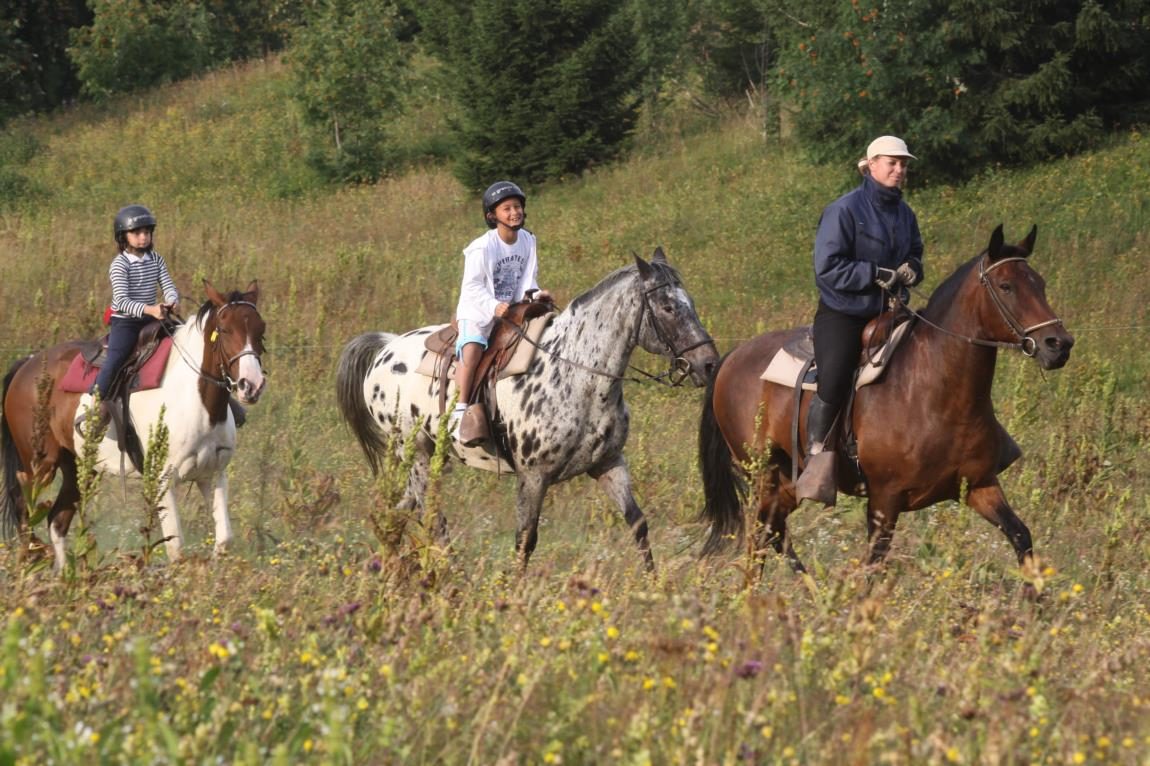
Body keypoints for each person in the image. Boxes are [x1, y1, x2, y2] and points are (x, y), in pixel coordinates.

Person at [795, 136, 925, 505]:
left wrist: (913, 268)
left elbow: (915, 251)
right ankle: (818, 458)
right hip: (843, 312)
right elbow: (827, 269)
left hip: (891, 311)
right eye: (892, 163)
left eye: (903, 164)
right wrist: (874, 273)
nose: (899, 169)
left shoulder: (905, 213)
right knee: (834, 377)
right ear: (870, 165)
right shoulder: (843, 210)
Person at [450, 181, 551, 446]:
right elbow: (471, 286)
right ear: (492, 216)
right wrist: (492, 305)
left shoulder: (528, 240)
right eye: (506, 209)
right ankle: (460, 412)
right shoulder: (482, 248)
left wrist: (537, 295)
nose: (514, 212)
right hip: (478, 308)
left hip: (511, 308)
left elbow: (529, 279)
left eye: (517, 206)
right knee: (472, 348)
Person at [75, 204, 179, 435]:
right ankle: (97, 406)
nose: (143, 237)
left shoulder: (156, 259)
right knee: (116, 357)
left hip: (153, 316)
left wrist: (171, 299)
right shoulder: (119, 265)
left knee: (186, 338)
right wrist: (150, 310)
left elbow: (168, 284)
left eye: (146, 232)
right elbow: (121, 301)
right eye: (136, 233)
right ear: (123, 236)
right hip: (127, 321)